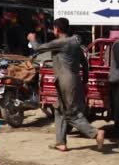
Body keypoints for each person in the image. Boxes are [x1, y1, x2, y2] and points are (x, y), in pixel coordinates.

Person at [28, 18, 105, 152]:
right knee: (59, 109)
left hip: (65, 81)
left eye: (54, 28)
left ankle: (95, 132)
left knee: (71, 114)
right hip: (72, 80)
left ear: (57, 29)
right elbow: (85, 64)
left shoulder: (61, 42)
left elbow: (38, 48)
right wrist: (85, 82)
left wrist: (32, 38)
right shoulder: (74, 43)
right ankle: (60, 142)